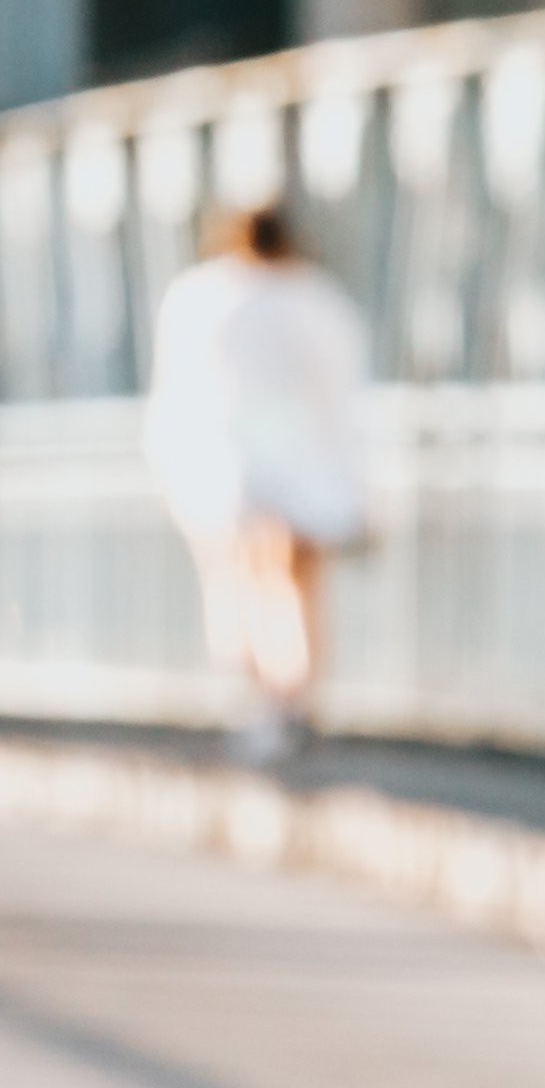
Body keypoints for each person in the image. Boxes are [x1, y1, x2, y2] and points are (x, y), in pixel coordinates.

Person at [146, 196, 373, 762]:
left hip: (231, 468)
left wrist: (171, 469)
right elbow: (344, 396)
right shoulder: (318, 301)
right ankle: (295, 698)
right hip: (308, 466)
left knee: (245, 581)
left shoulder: (200, 297)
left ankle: (264, 703)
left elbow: (177, 393)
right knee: (299, 586)